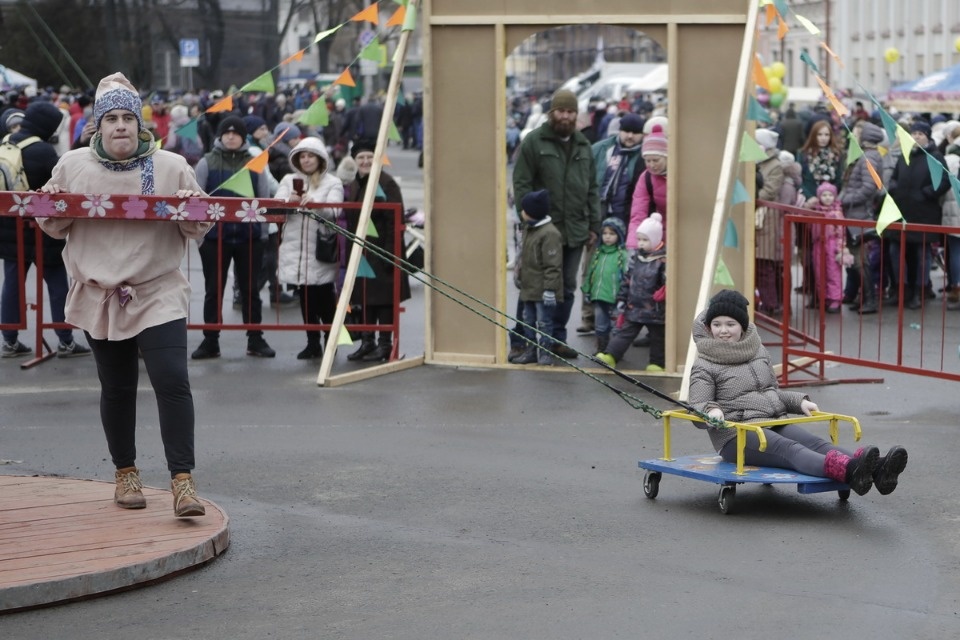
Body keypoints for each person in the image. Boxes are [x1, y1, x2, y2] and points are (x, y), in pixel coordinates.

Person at [36, 72, 211, 517]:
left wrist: (194, 204)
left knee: (172, 380)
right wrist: (51, 201)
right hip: (101, 294)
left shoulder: (170, 165)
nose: (120, 126)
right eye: (111, 118)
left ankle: (183, 481)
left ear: (140, 124)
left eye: (127, 119)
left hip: (157, 290)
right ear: (98, 124)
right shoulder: (73, 164)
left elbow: (196, 228)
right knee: (117, 387)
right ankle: (126, 472)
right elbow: (55, 227)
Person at [689, 289, 908, 496]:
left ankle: (878, 469)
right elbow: (699, 405)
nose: (723, 330)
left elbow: (770, 391)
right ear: (708, 327)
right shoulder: (705, 364)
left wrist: (798, 402)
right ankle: (851, 470)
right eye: (716, 324)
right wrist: (711, 412)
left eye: (730, 324)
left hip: (770, 422)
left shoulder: (757, 351)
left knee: (817, 444)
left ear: (743, 326)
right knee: (790, 449)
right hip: (736, 435)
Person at [513, 88, 600, 359]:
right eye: (561, 111)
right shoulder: (534, 142)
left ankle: (556, 339)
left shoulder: (584, 146)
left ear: (577, 115)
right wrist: (525, 217)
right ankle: (522, 340)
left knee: (566, 287)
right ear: (552, 113)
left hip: (575, 228)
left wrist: (594, 225)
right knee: (532, 285)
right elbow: (521, 183)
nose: (566, 116)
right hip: (541, 228)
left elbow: (592, 188)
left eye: (570, 111)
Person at [1, 101, 91, 358]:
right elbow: (62, 178)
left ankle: (9, 338)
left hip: (10, 227)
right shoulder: (41, 150)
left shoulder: (7, 141)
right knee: (55, 282)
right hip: (42, 229)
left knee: (12, 284)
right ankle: (65, 339)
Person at [192, 115, 276, 359]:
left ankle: (255, 338)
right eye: (226, 133)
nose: (230, 136)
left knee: (251, 290)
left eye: (235, 133)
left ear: (242, 137)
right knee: (213, 290)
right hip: (215, 239)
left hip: (248, 238)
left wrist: (261, 235)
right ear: (219, 136)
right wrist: (200, 237)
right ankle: (210, 339)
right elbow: (198, 199)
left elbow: (262, 199)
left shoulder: (255, 163)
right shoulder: (206, 162)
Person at [342, 140, 411, 362]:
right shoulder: (355, 184)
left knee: (383, 300)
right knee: (365, 299)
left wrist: (390, 253)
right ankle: (367, 342)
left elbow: (394, 221)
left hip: (382, 251)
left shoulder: (387, 184)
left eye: (370, 157)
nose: (365, 161)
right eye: (361, 157)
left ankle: (384, 344)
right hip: (362, 252)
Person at [275, 137, 344, 359]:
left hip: (320, 249)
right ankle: (312, 342)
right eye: (302, 156)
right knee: (305, 298)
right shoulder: (288, 179)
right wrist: (289, 201)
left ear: (320, 159)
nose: (306, 160)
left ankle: (330, 342)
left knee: (324, 297)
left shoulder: (333, 182)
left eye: (310, 156)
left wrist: (315, 204)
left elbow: (334, 213)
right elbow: (276, 206)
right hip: (295, 250)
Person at [579, 112, 645, 336]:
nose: (630, 137)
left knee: (622, 270)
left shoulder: (644, 155)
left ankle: (619, 318)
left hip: (627, 221)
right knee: (592, 267)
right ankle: (589, 316)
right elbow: (587, 181)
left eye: (635, 133)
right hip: (599, 219)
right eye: (627, 131)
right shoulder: (602, 148)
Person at [887, 120, 949, 310]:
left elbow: (943, 182)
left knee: (922, 255)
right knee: (895, 252)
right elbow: (895, 177)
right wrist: (895, 188)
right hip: (901, 211)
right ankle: (900, 289)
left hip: (924, 213)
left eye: (920, 134)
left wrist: (926, 194)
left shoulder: (936, 157)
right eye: (913, 134)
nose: (916, 137)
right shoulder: (904, 155)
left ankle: (919, 292)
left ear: (927, 136)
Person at [595, 213, 666, 371]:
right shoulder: (636, 258)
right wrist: (622, 297)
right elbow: (628, 279)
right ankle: (610, 355)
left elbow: (666, 282)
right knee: (625, 333)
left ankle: (656, 364)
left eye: (645, 240)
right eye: (639, 239)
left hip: (655, 308)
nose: (640, 243)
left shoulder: (663, 260)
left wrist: (664, 290)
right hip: (635, 306)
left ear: (655, 240)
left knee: (658, 337)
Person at [512, 189, 563, 366]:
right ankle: (531, 350)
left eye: (524, 209)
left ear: (532, 213)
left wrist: (550, 290)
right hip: (529, 287)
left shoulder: (549, 234)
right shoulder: (529, 229)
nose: (521, 212)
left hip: (542, 289)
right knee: (528, 320)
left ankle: (545, 352)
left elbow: (553, 265)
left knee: (544, 322)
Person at [839, 122, 885, 314]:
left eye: (858, 132)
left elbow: (869, 187)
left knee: (860, 261)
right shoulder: (869, 156)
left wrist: (846, 200)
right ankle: (864, 297)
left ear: (866, 138)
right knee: (859, 261)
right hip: (856, 213)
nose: (854, 135)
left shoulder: (869, 158)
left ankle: (870, 300)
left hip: (859, 214)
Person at [580, 217, 629, 355]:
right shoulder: (598, 253)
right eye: (605, 233)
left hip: (615, 297)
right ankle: (601, 349)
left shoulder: (622, 255)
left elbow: (627, 277)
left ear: (619, 236)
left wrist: (624, 296)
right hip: (599, 296)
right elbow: (590, 273)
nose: (607, 237)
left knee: (616, 326)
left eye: (612, 234)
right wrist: (587, 291)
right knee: (600, 324)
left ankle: (614, 351)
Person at [753, 130, 786, 315]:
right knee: (755, 266)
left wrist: (751, 196)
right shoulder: (751, 159)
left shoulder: (775, 166)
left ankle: (770, 304)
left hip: (765, 218)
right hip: (755, 217)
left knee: (765, 265)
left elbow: (769, 190)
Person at [627, 123, 667, 250]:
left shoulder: (681, 176)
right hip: (659, 233)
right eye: (647, 161)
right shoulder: (646, 177)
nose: (651, 165)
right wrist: (633, 245)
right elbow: (638, 215)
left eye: (656, 160)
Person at [808, 182, 845, 313]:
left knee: (833, 272)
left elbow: (841, 231)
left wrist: (840, 248)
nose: (828, 197)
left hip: (832, 244)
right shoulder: (816, 211)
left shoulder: (836, 212)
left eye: (830, 195)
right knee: (820, 271)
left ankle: (835, 299)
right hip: (818, 244)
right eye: (824, 195)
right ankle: (823, 298)